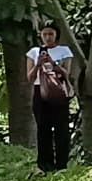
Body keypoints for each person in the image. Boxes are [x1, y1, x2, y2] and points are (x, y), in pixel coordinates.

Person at [26, 22, 75, 172]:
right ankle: (45, 164)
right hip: (40, 90)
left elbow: (67, 73)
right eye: (45, 34)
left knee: (61, 128)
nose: (48, 37)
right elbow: (29, 77)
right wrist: (38, 65)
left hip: (58, 91)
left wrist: (54, 65)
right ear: (40, 35)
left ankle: (62, 164)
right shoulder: (34, 52)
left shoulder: (64, 51)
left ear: (56, 35)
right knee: (43, 128)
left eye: (51, 34)